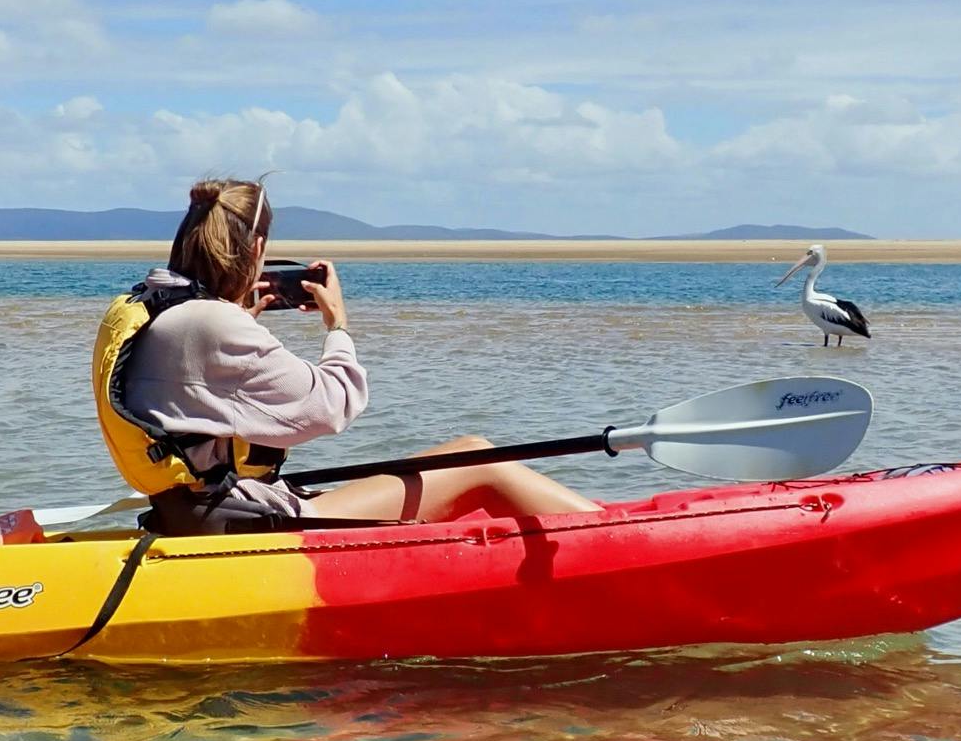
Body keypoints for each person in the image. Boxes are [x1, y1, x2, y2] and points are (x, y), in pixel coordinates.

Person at [93, 178, 601, 534]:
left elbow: (193, 398)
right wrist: (337, 324)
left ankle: (600, 524)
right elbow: (330, 405)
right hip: (236, 525)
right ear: (256, 248)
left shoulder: (151, 307)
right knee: (483, 465)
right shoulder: (210, 321)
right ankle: (619, 535)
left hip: (189, 515)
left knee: (469, 446)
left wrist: (243, 324)